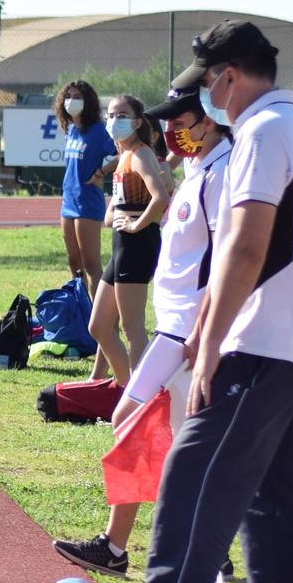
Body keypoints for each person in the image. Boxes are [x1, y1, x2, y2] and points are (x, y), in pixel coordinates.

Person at [88, 20, 293, 583]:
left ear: (228, 75)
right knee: (276, 492)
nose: (205, 98)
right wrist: (209, 323)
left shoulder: (260, 133)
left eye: (207, 83)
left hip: (260, 339)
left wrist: (211, 341)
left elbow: (248, 246)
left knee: (193, 473)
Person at [53, 90, 230, 577]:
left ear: (210, 119)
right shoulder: (198, 167)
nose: (171, 128)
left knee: (136, 421)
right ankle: (193, 546)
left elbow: (232, 256)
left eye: (180, 120)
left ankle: (125, 547)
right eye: (167, 120)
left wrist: (208, 327)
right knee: (162, 431)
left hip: (188, 330)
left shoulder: (222, 170)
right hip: (177, 325)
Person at [88, 94, 170, 384]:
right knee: (98, 326)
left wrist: (136, 225)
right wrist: (118, 216)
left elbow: (160, 197)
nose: (114, 120)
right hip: (121, 246)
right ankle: (125, 390)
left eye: (122, 116)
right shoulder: (123, 156)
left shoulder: (142, 154)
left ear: (137, 122)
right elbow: (113, 213)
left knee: (132, 328)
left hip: (137, 245)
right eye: (110, 115)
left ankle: (139, 398)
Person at [56, 79, 114, 303]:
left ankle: (101, 320)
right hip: (68, 203)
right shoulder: (71, 130)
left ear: (88, 101)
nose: (72, 101)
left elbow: (121, 155)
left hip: (87, 202)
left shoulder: (99, 131)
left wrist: (100, 173)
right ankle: (81, 312)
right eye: (68, 96)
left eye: (78, 97)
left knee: (91, 264)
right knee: (74, 262)